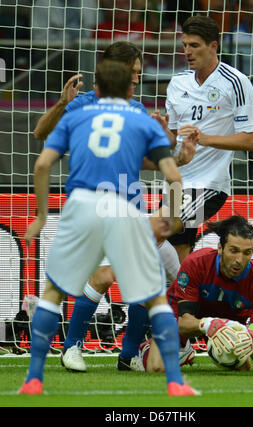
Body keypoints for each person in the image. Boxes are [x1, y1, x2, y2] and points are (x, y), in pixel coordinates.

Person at [19, 60, 198, 396]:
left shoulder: (76, 116)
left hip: (82, 205)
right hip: (123, 208)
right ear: (131, 90)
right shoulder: (141, 119)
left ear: (96, 89)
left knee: (54, 292)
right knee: (155, 293)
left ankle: (34, 378)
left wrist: (42, 216)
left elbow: (42, 162)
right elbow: (173, 176)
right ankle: (174, 381)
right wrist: (170, 219)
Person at [117, 14, 253, 371]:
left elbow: (252, 140)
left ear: (215, 46)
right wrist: (163, 133)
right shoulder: (177, 81)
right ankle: (194, 333)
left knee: (145, 239)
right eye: (184, 45)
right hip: (176, 182)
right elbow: (174, 140)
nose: (187, 52)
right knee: (179, 269)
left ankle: (131, 347)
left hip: (210, 184)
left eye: (195, 46)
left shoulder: (236, 82)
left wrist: (205, 138)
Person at [135, 215, 253, 373]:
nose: (239, 260)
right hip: (187, 316)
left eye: (247, 253)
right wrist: (210, 325)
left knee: (243, 368)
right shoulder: (196, 264)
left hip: (227, 322)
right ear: (220, 247)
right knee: (156, 367)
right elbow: (184, 323)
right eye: (233, 251)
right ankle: (171, 348)